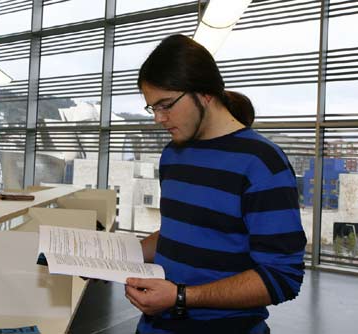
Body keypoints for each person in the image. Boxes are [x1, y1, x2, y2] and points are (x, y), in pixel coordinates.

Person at [124, 34, 307, 334]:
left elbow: (282, 276)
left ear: (206, 93)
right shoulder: (173, 154)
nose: (158, 118)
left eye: (166, 104)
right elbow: (179, 231)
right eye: (152, 108)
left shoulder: (261, 162)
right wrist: (113, 257)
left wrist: (181, 297)